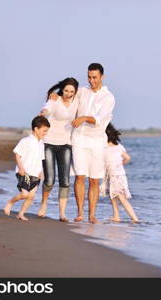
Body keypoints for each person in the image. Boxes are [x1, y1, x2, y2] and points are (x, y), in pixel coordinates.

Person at [50, 63, 115, 223]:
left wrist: (84, 118)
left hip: (97, 142)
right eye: (89, 77)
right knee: (80, 177)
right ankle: (80, 213)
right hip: (79, 139)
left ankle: (92, 215)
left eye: (95, 77)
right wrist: (56, 96)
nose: (91, 80)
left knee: (94, 180)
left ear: (102, 77)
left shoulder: (108, 97)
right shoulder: (82, 92)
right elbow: (68, 96)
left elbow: (99, 120)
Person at [37, 77, 79, 222]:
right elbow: (47, 108)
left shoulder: (77, 101)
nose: (68, 93)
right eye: (66, 90)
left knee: (65, 180)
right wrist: (43, 113)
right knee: (49, 179)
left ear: (75, 92)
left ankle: (62, 213)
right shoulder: (55, 99)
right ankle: (44, 204)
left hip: (66, 144)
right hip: (49, 142)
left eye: (71, 91)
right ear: (62, 89)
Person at [3, 116, 50, 221]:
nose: (45, 133)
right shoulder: (26, 141)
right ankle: (10, 202)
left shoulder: (42, 143)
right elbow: (17, 154)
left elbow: (40, 159)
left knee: (31, 196)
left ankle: (21, 213)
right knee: (24, 194)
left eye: (46, 131)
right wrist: (20, 168)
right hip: (24, 172)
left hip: (35, 173)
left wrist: (41, 171)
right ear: (36, 129)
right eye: (44, 131)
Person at [100, 123, 139, 223]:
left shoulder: (104, 148)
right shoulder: (119, 146)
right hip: (116, 174)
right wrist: (120, 164)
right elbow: (127, 158)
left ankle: (135, 218)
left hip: (115, 176)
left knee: (121, 198)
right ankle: (116, 216)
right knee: (113, 195)